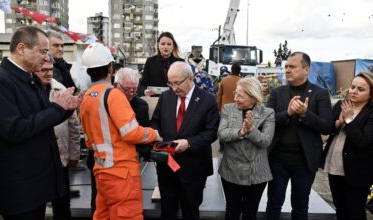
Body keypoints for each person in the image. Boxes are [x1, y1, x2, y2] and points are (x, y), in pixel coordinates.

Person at [0, 26, 82, 220]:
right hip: (20, 189)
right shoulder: (0, 81)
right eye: (43, 51)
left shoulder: (29, 79)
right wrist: (57, 108)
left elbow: (44, 118)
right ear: (22, 48)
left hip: (37, 184)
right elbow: (13, 129)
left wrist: (67, 109)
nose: (45, 58)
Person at [79, 42, 162, 220]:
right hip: (122, 173)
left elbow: (87, 140)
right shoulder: (114, 95)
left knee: (103, 214)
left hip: (101, 171)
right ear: (110, 69)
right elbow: (131, 132)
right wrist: (154, 134)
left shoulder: (87, 97)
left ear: (87, 71)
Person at [265, 51, 333, 220]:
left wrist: (305, 113)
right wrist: (287, 113)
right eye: (286, 66)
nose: (287, 70)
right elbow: (265, 120)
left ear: (306, 69)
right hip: (277, 159)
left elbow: (327, 127)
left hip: (304, 160)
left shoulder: (320, 94)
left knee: (300, 205)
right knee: (274, 202)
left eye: (292, 66)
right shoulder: (277, 92)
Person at [151, 61, 220, 220]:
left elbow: (212, 132)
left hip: (194, 169)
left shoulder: (208, 100)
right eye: (170, 83)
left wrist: (188, 143)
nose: (174, 88)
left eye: (177, 83)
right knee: (167, 212)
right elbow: (155, 121)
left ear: (191, 78)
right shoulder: (166, 97)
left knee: (190, 212)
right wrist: (156, 135)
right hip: (167, 168)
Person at [218, 77, 275, 220]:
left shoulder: (267, 113)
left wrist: (251, 131)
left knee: (250, 213)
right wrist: (240, 132)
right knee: (232, 211)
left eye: (240, 96)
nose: (235, 98)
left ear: (253, 97)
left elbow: (266, 141)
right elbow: (221, 134)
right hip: (231, 170)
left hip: (256, 173)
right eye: (235, 93)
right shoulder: (228, 109)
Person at [34, 58, 81, 220]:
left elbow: (74, 125)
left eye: (51, 69)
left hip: (61, 157)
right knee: (37, 204)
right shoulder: (30, 91)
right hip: (38, 159)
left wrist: (74, 153)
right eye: (44, 70)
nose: (48, 73)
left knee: (62, 203)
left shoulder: (60, 89)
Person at [323, 72, 373, 220]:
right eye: (352, 87)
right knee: (340, 208)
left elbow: (363, 141)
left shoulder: (371, 113)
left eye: (360, 89)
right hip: (335, 165)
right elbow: (329, 129)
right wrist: (338, 122)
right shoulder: (341, 104)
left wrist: (350, 119)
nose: (354, 91)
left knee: (355, 212)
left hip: (358, 170)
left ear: (370, 93)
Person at [138, 31, 184, 96]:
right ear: (158, 45)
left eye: (169, 44)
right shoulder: (150, 61)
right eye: (163, 44)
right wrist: (145, 91)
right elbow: (143, 84)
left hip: (175, 99)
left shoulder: (180, 63)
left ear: (173, 46)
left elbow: (185, 83)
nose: (166, 47)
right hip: (155, 100)